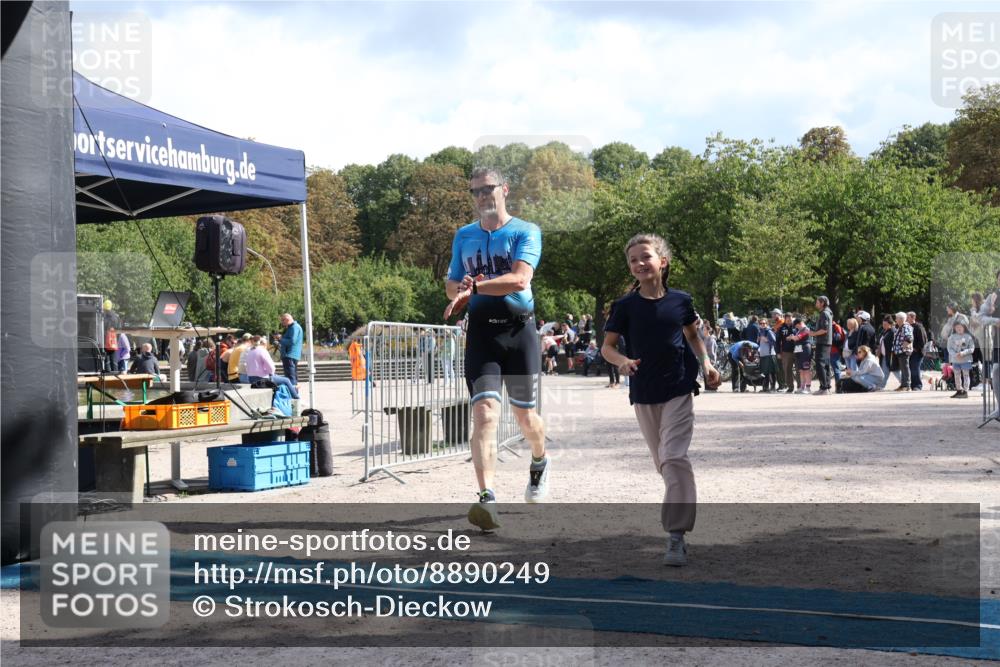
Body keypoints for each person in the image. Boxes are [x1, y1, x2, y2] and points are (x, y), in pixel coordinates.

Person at [601, 233, 720, 567]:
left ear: (662, 262)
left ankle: (676, 536)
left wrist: (707, 364)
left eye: (645, 257)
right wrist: (621, 361)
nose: (639, 263)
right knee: (664, 464)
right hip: (643, 393)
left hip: (679, 387)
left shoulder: (681, 300)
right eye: (633, 260)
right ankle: (678, 526)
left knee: (674, 457)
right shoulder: (625, 306)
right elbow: (606, 347)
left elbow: (693, 337)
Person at [443, 166, 547, 531]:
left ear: (504, 189)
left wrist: (476, 288)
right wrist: (458, 292)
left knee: (526, 419)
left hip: (520, 333)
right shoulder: (464, 236)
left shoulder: (525, 231)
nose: (482, 197)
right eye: (475, 192)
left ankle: (539, 459)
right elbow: (452, 282)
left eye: (488, 189)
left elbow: (520, 279)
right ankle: (487, 498)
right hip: (483, 335)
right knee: (485, 414)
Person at [808, 296, 834, 395]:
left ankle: (823, 388)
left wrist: (813, 334)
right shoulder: (829, 312)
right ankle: (826, 387)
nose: (816, 304)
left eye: (817, 302)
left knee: (820, 364)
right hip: (827, 342)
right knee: (826, 364)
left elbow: (824, 329)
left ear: (822, 303)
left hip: (823, 342)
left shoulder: (824, 313)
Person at [947, 322, 976, 399]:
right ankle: (959, 390)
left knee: (966, 375)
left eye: (960, 327)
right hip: (955, 360)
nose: (959, 328)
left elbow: (972, 348)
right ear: (954, 328)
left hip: (966, 360)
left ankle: (965, 391)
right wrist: (955, 355)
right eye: (957, 327)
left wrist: (963, 353)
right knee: (957, 375)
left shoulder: (968, 337)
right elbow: (949, 348)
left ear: (964, 328)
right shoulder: (951, 337)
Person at [787, 318, 813, 394]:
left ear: (800, 323)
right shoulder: (799, 330)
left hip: (805, 350)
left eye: (797, 326)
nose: (796, 327)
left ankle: (808, 388)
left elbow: (797, 338)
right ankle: (802, 387)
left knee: (806, 369)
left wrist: (792, 337)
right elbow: (796, 338)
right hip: (798, 350)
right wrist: (792, 337)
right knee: (801, 370)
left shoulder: (806, 329)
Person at [891, 312, 914, 391]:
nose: (895, 320)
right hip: (900, 351)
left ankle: (907, 385)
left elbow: (909, 338)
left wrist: (904, 345)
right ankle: (903, 385)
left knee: (905, 367)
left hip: (904, 351)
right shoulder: (900, 327)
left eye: (897, 318)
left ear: (901, 319)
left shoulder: (905, 327)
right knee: (903, 368)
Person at [279, 313, 303, 387]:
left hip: (289, 355)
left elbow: (292, 341)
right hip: (291, 355)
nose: (282, 323)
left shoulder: (294, 327)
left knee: (290, 377)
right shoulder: (292, 327)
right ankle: (294, 394)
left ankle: (294, 395)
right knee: (292, 376)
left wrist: (281, 339)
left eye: (282, 321)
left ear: (287, 319)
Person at [907, 311, 928, 390]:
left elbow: (923, 340)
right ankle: (912, 385)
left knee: (915, 368)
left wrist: (916, 348)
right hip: (910, 352)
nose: (906, 319)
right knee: (910, 369)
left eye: (908, 317)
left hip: (917, 352)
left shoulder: (918, 327)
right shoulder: (907, 326)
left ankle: (917, 385)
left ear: (913, 318)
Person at [778, 312, 797, 393]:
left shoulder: (796, 326)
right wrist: (778, 352)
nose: (789, 320)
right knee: (787, 370)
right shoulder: (781, 328)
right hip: (786, 352)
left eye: (790, 318)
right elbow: (777, 341)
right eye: (787, 318)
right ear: (785, 319)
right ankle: (790, 387)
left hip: (797, 351)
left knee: (799, 369)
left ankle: (800, 387)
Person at [757, 321, 778, 392]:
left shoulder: (768, 331)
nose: (762, 325)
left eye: (764, 323)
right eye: (761, 323)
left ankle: (773, 387)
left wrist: (767, 340)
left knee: (771, 372)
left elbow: (775, 342)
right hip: (763, 354)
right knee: (765, 372)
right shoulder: (760, 332)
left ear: (767, 324)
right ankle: (765, 388)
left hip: (770, 354)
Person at [877, 315, 896, 389]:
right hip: (884, 355)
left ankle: (905, 384)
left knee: (896, 371)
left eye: (885, 324)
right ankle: (881, 386)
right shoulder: (884, 331)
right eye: (883, 324)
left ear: (890, 324)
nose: (883, 326)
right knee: (885, 371)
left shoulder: (893, 331)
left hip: (891, 355)